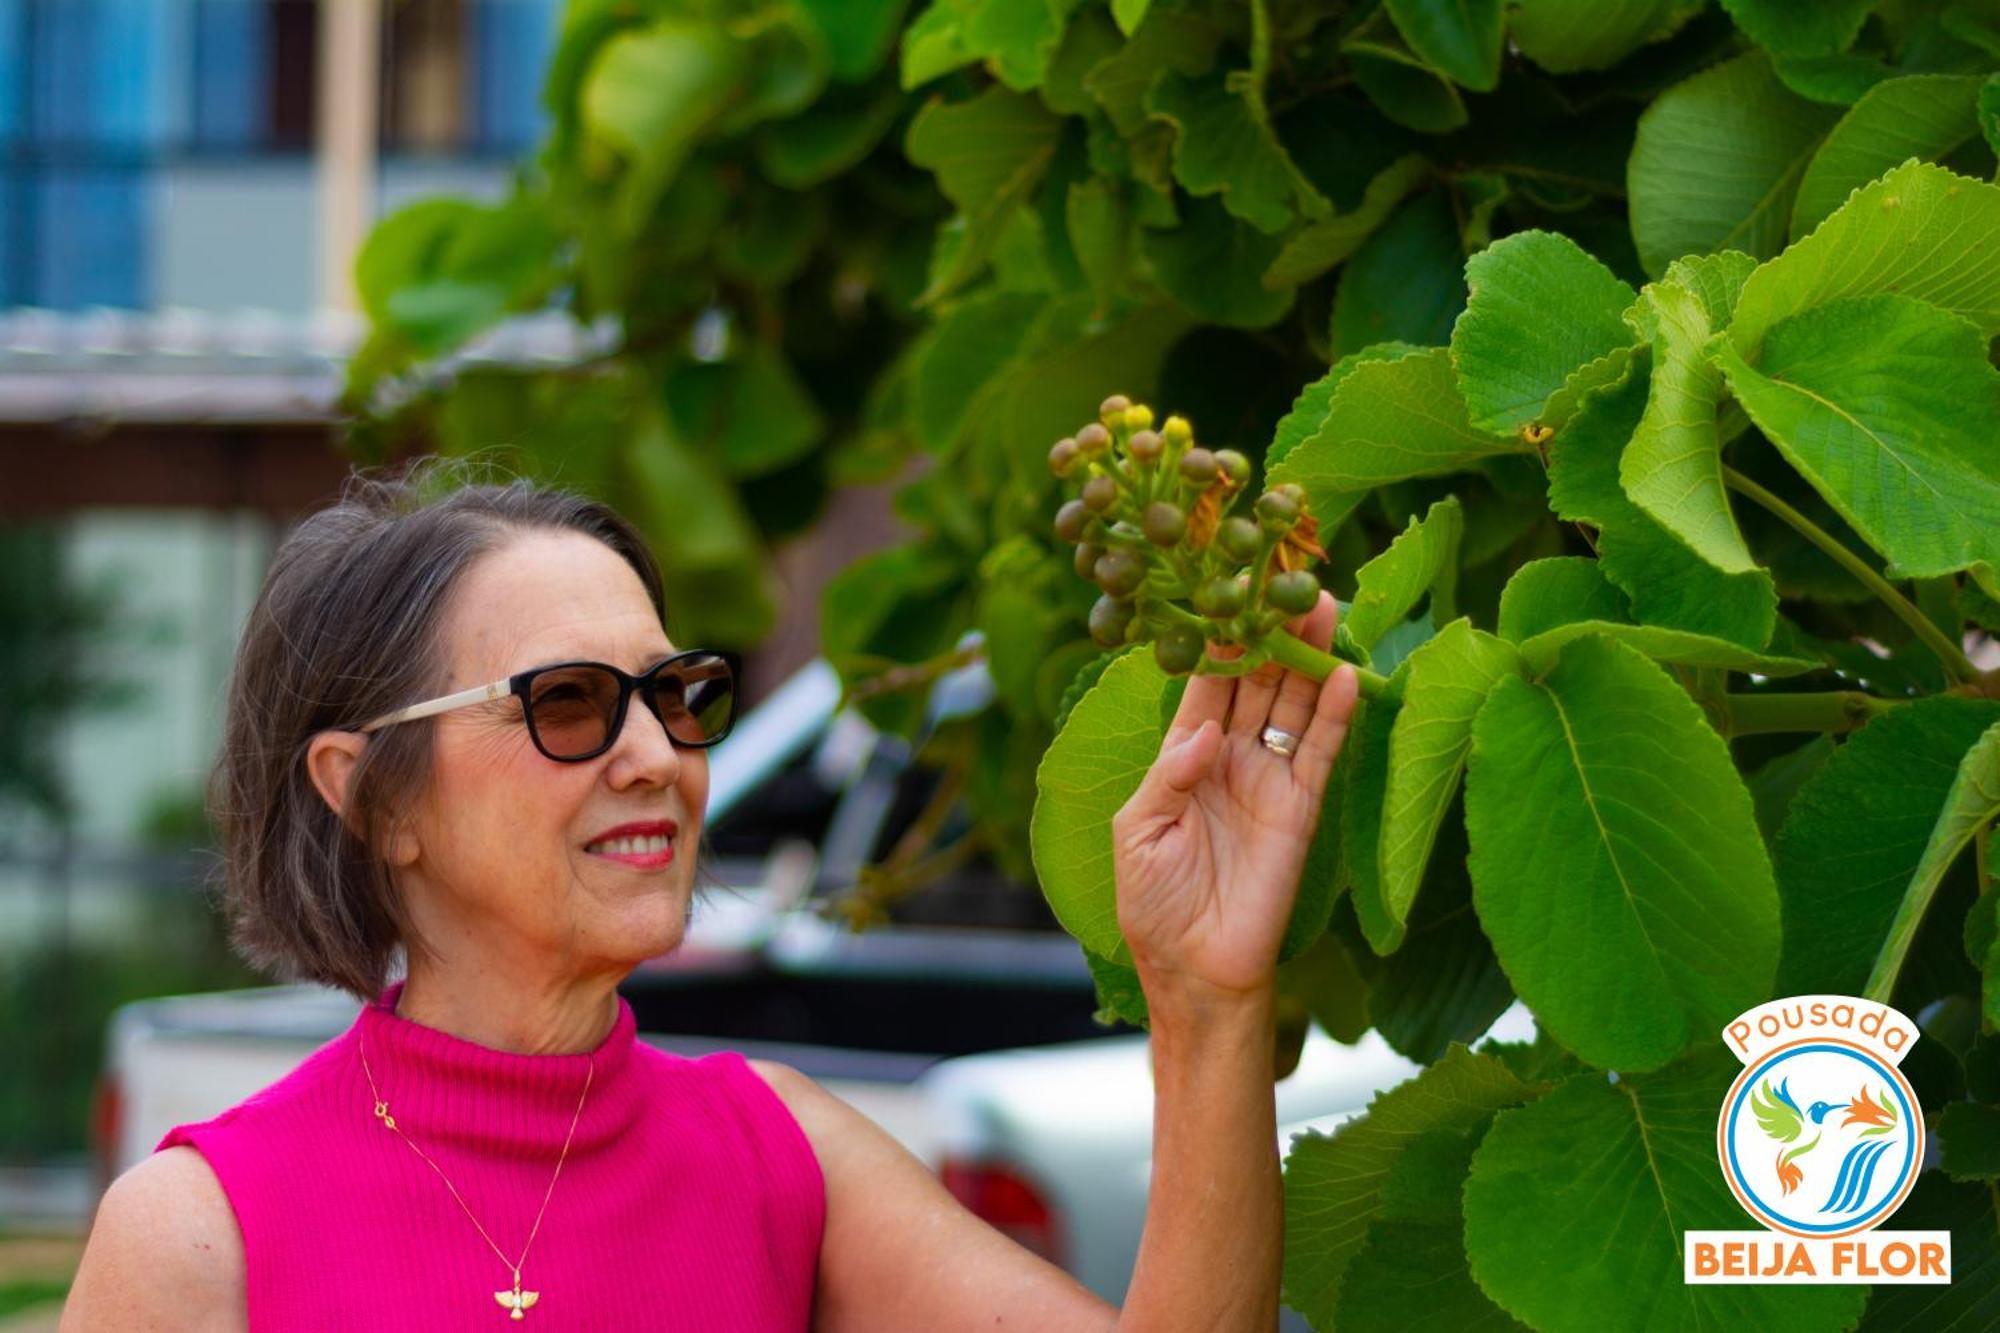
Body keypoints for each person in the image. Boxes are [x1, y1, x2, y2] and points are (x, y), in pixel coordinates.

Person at [60, 460, 1360, 1331]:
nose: (659, 754)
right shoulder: (195, 1238)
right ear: (373, 796)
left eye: (673, 693)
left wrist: (1203, 996)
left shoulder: (779, 1155)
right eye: (567, 701)